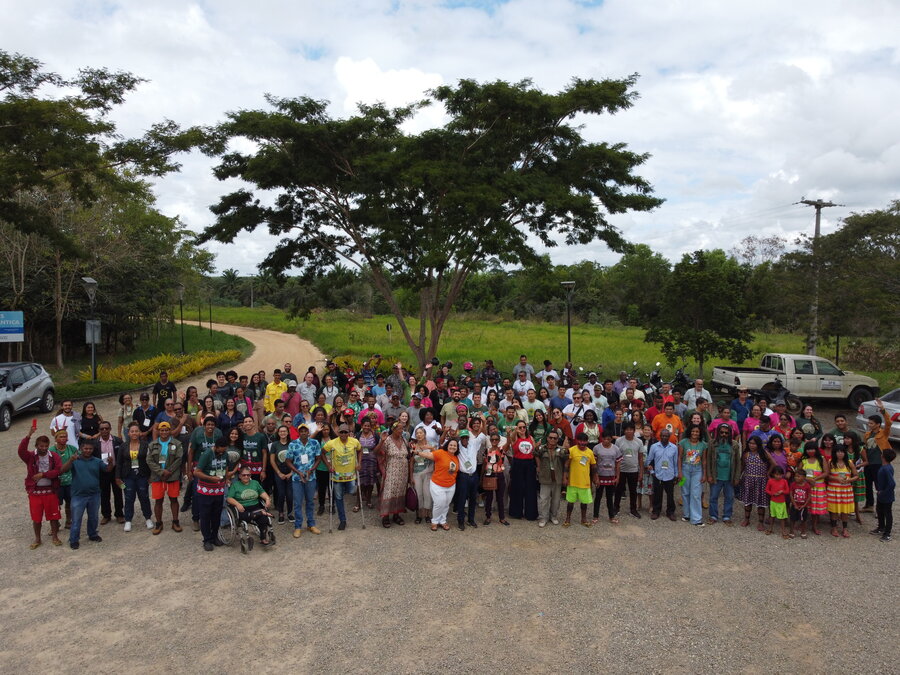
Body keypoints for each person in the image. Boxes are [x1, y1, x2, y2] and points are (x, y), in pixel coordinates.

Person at [61, 439, 114, 549]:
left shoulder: (97, 461)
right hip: (78, 495)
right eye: (85, 448)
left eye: (90, 449)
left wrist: (110, 462)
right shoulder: (75, 460)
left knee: (93, 517)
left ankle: (93, 534)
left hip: (94, 494)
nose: (88, 451)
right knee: (76, 519)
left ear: (93, 449)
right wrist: (70, 460)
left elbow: (107, 470)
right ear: (81, 449)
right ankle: (74, 539)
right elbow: (62, 470)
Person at [19, 427, 63, 549]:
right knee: (36, 517)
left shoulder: (53, 456)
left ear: (48, 445)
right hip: (35, 492)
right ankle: (37, 538)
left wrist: (43, 474)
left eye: (45, 446)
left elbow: (57, 471)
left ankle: (55, 536)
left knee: (54, 516)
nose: (43, 449)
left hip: (50, 491)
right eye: (41, 446)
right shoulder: (30, 456)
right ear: (36, 445)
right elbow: (21, 451)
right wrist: (28, 435)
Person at [194, 436, 239, 551]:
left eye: (224, 449)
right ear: (216, 446)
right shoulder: (207, 454)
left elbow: (227, 467)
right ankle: (207, 540)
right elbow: (197, 472)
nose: (222, 452)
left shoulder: (225, 454)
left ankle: (214, 537)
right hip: (206, 491)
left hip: (219, 490)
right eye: (221, 449)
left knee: (216, 515)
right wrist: (210, 478)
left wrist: (226, 477)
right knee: (205, 516)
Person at [412, 438, 459, 531]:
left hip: (451, 485)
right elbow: (428, 455)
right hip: (438, 484)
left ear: (457, 448)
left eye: (455, 446)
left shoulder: (456, 457)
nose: (452, 447)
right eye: (451, 445)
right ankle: (435, 521)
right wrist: (417, 453)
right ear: (447, 445)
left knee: (446, 504)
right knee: (439, 503)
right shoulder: (441, 453)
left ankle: (443, 521)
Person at [146, 421, 184, 535]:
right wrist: (161, 472)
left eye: (166, 430)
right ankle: (159, 523)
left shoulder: (177, 443)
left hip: (172, 477)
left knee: (174, 499)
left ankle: (175, 522)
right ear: (158, 431)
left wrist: (169, 472)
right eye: (162, 430)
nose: (164, 432)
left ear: (170, 431)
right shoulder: (152, 445)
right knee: (158, 500)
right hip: (157, 477)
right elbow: (149, 460)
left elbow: (179, 459)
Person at [285, 424, 322, 537]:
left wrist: (312, 469)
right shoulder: (293, 444)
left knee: (310, 502)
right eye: (301, 431)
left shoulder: (314, 443)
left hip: (311, 477)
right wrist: (298, 472)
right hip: (297, 478)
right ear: (298, 432)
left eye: (305, 431)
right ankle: (298, 526)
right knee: (297, 503)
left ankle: (311, 524)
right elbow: (288, 461)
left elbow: (318, 458)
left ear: (308, 432)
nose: (303, 433)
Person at [115, 421, 153, 532]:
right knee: (128, 497)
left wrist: (150, 475)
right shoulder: (123, 446)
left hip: (142, 475)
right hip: (128, 476)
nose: (134, 433)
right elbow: (119, 463)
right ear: (129, 433)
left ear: (140, 432)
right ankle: (128, 520)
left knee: (144, 497)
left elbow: (150, 461)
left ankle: (148, 518)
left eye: (136, 431)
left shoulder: (145, 445)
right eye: (132, 431)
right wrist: (117, 477)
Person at [323, 424, 362, 531]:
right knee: (339, 498)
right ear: (338, 432)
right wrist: (328, 465)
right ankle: (342, 520)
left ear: (349, 432)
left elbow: (360, 450)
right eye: (342, 432)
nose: (344, 434)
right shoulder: (332, 443)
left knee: (352, 490)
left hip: (351, 475)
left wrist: (359, 463)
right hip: (337, 476)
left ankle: (342, 490)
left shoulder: (354, 442)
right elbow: (322, 453)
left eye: (346, 432)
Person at [376, 421, 411, 527]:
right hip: (391, 471)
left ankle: (396, 515)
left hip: (403, 472)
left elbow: (408, 455)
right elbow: (377, 452)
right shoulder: (387, 440)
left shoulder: (404, 440)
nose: (401, 431)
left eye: (402, 429)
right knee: (389, 492)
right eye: (399, 429)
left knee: (400, 491)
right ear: (394, 429)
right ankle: (385, 516)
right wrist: (381, 441)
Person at [226, 468, 273, 546]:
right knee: (255, 515)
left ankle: (263, 538)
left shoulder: (255, 483)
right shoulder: (235, 485)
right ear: (240, 476)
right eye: (244, 475)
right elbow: (229, 498)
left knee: (264, 519)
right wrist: (237, 504)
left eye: (248, 475)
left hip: (255, 507)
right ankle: (261, 513)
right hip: (243, 509)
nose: (246, 477)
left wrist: (267, 499)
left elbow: (262, 492)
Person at [705, 424, 741, 525]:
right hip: (716, 476)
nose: (724, 434)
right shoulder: (712, 443)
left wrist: (737, 477)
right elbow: (708, 460)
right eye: (721, 432)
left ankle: (727, 516)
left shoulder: (734, 445)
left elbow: (738, 462)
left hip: (729, 476)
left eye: (726, 432)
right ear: (718, 433)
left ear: (730, 433)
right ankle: (713, 516)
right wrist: (709, 475)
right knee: (713, 497)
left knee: (729, 497)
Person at [862, 398, 892, 513]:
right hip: (869, 462)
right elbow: (864, 448)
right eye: (869, 423)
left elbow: (889, 423)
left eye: (871, 423)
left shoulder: (883, 433)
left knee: (879, 485)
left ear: (878, 424)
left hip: (879, 463)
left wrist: (882, 409)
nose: (869, 425)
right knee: (868, 485)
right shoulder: (867, 434)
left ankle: (880, 508)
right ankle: (869, 505)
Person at [737, 436, 772, 531]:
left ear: (758, 444)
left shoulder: (764, 453)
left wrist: (768, 473)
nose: (752, 445)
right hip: (748, 480)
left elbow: (773, 463)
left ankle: (760, 522)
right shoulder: (746, 454)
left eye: (754, 444)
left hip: (761, 481)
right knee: (747, 501)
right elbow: (742, 466)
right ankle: (746, 519)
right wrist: (738, 477)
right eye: (750, 443)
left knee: (760, 502)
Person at [563, 432, 597, 527]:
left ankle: (583, 519)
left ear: (587, 441)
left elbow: (593, 467)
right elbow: (566, 464)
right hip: (572, 482)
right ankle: (568, 519)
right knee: (570, 502)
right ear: (577, 441)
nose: (582, 443)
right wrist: (565, 477)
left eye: (584, 441)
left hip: (585, 482)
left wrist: (595, 478)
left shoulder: (590, 452)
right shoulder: (572, 450)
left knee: (584, 503)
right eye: (580, 440)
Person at [507, 420, 538, 520]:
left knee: (530, 488)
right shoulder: (514, 437)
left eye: (524, 427)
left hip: (529, 464)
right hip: (518, 463)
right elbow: (511, 439)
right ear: (516, 428)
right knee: (517, 488)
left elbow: (534, 450)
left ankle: (531, 513)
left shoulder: (530, 437)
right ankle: (516, 512)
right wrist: (515, 432)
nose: (522, 429)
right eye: (520, 427)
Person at [645, 429, 679, 521]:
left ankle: (670, 512)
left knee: (670, 495)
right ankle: (656, 511)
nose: (664, 437)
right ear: (660, 436)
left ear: (669, 437)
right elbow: (649, 461)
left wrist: (676, 475)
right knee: (657, 494)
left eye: (666, 436)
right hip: (658, 474)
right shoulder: (654, 447)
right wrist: (652, 472)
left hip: (670, 475)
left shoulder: (674, 447)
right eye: (662, 436)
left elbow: (675, 462)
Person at [826, 444, 858, 538]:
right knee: (834, 510)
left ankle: (845, 528)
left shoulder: (849, 462)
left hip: (846, 490)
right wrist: (836, 479)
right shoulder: (830, 462)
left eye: (842, 452)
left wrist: (849, 480)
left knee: (845, 510)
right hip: (834, 489)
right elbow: (827, 475)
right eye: (838, 452)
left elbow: (856, 475)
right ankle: (834, 527)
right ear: (834, 453)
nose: (840, 454)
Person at [95, 421, 124, 524]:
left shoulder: (118, 441)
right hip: (102, 472)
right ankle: (106, 515)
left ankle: (119, 514)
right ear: (99, 430)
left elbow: (122, 457)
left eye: (106, 428)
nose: (104, 431)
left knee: (118, 492)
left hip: (116, 471)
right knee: (104, 494)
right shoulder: (95, 443)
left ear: (110, 429)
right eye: (102, 429)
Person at [536, 430, 565, 527]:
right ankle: (543, 517)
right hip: (545, 477)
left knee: (556, 499)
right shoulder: (542, 448)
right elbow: (535, 454)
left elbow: (567, 458)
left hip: (557, 477)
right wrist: (538, 465)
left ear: (557, 439)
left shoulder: (561, 449)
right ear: (547, 438)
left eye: (555, 438)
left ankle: (553, 516)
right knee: (544, 499)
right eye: (550, 437)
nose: (552, 439)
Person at [678, 425, 706, 526]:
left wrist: (704, 474)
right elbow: (679, 458)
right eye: (693, 431)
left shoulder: (703, 445)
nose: (694, 433)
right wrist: (679, 472)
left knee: (696, 494)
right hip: (685, 469)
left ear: (700, 433)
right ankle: (687, 514)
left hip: (697, 470)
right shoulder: (683, 442)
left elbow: (704, 461)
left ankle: (696, 519)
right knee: (685, 492)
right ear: (690, 432)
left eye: (697, 432)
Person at [615, 423, 644, 519]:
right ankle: (616, 508)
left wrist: (641, 472)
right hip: (621, 469)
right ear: (624, 431)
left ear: (634, 430)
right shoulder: (619, 441)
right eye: (627, 429)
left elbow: (640, 458)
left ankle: (633, 509)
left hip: (633, 470)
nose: (629, 431)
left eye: (631, 429)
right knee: (618, 490)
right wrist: (616, 471)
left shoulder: (639, 442)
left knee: (633, 491)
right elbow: (616, 456)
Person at [800, 441, 829, 536]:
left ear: (816, 449)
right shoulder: (804, 460)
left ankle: (814, 525)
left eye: (812, 449)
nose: (810, 451)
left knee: (815, 508)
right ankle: (801, 523)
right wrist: (808, 480)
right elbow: (799, 472)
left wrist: (814, 479)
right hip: (806, 487)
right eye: (808, 449)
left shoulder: (821, 459)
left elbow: (826, 472)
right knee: (804, 505)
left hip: (818, 487)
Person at [592, 435, 622, 525]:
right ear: (602, 439)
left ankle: (611, 516)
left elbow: (618, 464)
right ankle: (595, 516)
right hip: (600, 476)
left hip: (611, 477)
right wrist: (595, 476)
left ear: (611, 439)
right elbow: (594, 464)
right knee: (598, 497)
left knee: (609, 498)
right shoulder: (596, 448)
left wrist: (617, 477)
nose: (606, 441)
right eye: (604, 438)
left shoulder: (616, 449)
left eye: (608, 439)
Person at [409, 427, 435, 524]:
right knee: (418, 494)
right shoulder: (413, 446)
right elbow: (411, 462)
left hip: (429, 472)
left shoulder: (431, 445)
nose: (419, 435)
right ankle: (419, 515)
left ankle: (427, 514)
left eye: (421, 433)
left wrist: (431, 449)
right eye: (417, 433)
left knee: (427, 493)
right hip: (417, 473)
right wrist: (411, 476)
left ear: (425, 434)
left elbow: (436, 457)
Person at [268, 424, 294, 524]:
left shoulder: (292, 444)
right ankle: (281, 513)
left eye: (284, 431)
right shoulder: (275, 445)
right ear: (278, 433)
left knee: (290, 494)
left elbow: (296, 459)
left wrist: (291, 473)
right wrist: (279, 473)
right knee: (281, 493)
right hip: (279, 471)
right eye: (281, 431)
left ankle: (290, 513)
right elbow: (272, 460)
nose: (283, 433)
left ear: (288, 432)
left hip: (290, 470)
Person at [482, 432, 509, 526]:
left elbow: (508, 443)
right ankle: (488, 516)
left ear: (499, 441)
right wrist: (482, 477)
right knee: (489, 497)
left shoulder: (501, 450)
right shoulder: (487, 451)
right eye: (492, 439)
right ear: (490, 440)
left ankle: (502, 517)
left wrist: (509, 434)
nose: (494, 441)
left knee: (500, 497)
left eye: (496, 439)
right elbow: (484, 464)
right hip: (489, 475)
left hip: (499, 475)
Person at [872, 448, 895, 542]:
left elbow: (892, 483)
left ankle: (887, 533)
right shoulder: (885, 466)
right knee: (880, 511)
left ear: (883, 457)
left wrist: (883, 491)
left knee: (887, 513)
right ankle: (881, 527)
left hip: (886, 495)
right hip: (881, 494)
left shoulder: (886, 468)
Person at [765, 466, 790, 538]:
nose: (778, 476)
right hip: (773, 501)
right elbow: (767, 490)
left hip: (781, 502)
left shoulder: (784, 481)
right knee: (772, 516)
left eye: (780, 474)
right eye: (776, 474)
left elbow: (787, 491)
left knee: (782, 518)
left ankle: (783, 530)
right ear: (773, 474)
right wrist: (773, 493)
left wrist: (782, 491)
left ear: (782, 474)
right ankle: (770, 528)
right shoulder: (770, 481)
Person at [789, 468, 811, 539]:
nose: (796, 478)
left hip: (803, 506)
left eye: (798, 476)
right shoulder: (793, 484)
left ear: (804, 477)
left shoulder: (807, 486)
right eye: (795, 476)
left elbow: (809, 496)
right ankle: (791, 531)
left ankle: (803, 531)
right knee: (792, 519)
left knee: (804, 520)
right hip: (795, 505)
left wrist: (804, 505)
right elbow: (791, 495)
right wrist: (794, 504)